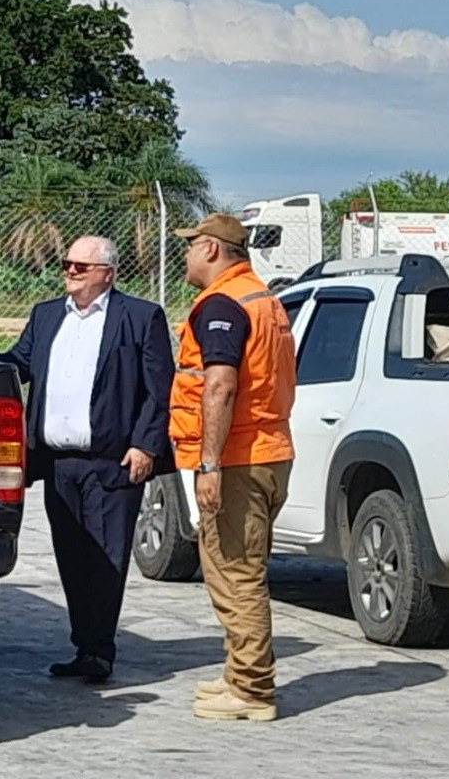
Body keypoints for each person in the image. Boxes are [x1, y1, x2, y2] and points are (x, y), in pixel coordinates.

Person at [0, 235, 175, 683]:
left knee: (107, 558)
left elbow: (160, 388)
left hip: (112, 462)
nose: (71, 271)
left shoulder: (139, 317)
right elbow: (21, 363)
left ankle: (100, 650)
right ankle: (83, 644)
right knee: (72, 557)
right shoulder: (47, 314)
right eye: (67, 264)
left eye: (81, 266)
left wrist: (146, 445)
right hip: (58, 463)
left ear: (107, 273)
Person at [169, 213, 296, 723]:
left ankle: (251, 690)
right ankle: (239, 674)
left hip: (240, 458)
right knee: (240, 568)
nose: (186, 254)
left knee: (235, 572)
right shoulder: (263, 300)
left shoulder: (221, 304)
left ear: (214, 250)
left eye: (192, 245)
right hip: (270, 450)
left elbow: (220, 385)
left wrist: (209, 464)